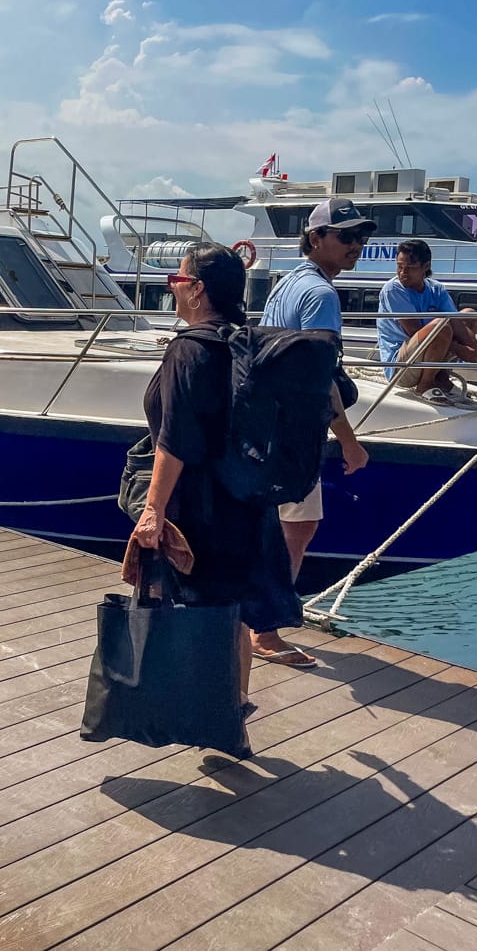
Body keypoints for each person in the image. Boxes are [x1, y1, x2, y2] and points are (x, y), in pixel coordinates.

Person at [132, 243, 304, 712]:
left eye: (177, 280)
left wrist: (152, 511)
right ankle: (234, 705)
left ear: (198, 290)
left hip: (199, 508)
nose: (173, 289)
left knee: (193, 607)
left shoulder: (190, 350)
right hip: (247, 503)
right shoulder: (249, 342)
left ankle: (199, 708)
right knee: (231, 611)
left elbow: (176, 440)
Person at [257, 197, 373, 667]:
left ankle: (259, 618)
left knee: (280, 525)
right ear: (315, 239)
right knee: (299, 525)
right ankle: (264, 631)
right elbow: (318, 377)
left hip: (266, 422)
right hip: (293, 430)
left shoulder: (286, 285)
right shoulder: (321, 296)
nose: (356, 247)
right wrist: (348, 439)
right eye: (345, 237)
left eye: (360, 238)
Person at [377, 239, 477, 403]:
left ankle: (441, 376)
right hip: (402, 366)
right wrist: (460, 349)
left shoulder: (436, 289)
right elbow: (413, 331)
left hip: (424, 355)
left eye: (410, 268)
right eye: (399, 267)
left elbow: (456, 322)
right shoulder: (393, 289)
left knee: (469, 315)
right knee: (440, 325)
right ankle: (425, 385)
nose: (403, 273)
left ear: (425, 267)